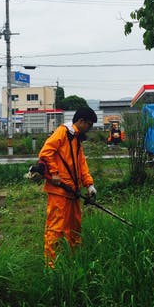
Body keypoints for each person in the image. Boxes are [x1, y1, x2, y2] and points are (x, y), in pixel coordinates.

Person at [39, 106, 98, 266]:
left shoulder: (77, 139)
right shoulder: (63, 132)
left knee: (74, 228)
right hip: (59, 191)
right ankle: (51, 266)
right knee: (56, 228)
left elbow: (81, 163)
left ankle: (74, 259)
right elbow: (46, 152)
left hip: (73, 191)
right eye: (89, 125)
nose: (90, 128)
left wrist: (89, 184)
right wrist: (54, 173)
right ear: (81, 121)